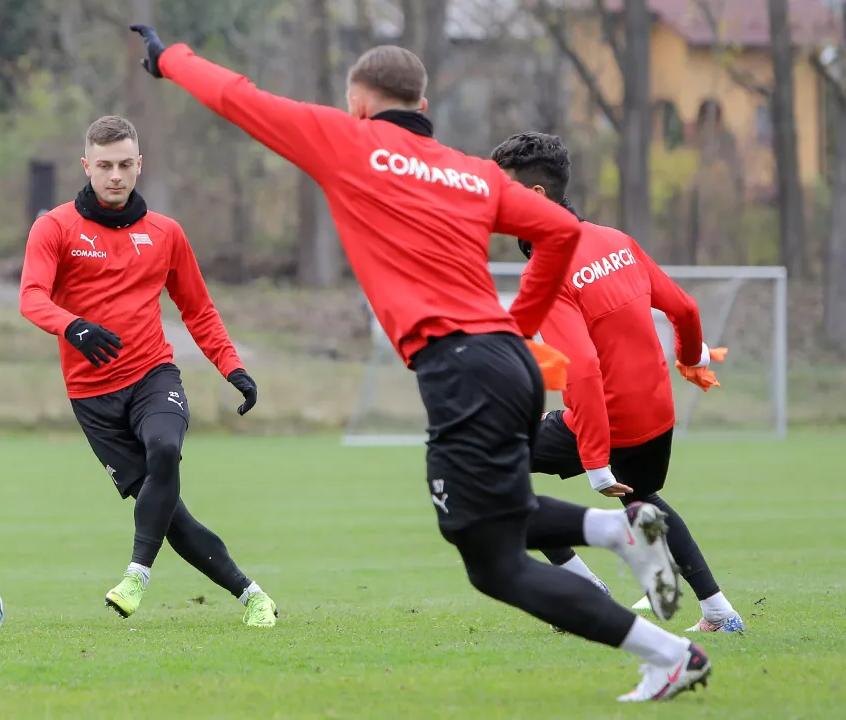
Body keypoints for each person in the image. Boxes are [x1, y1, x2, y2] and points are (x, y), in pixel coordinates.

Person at [128, 27, 710, 702]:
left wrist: (168, 59)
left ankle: (668, 652)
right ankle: (617, 529)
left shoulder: (348, 143)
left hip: (462, 369)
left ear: (359, 100)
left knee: (493, 565)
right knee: (479, 518)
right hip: (508, 367)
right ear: (424, 100)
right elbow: (561, 230)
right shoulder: (469, 170)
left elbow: (238, 97)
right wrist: (518, 326)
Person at [19, 115, 278, 627]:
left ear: (139, 165)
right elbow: (31, 297)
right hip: (92, 398)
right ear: (86, 166)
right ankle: (253, 597)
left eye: (124, 165)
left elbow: (199, 311)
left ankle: (137, 574)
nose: (115, 176)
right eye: (104, 165)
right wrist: (74, 327)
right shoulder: (56, 227)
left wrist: (234, 368)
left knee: (165, 449)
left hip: (153, 375)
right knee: (171, 515)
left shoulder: (165, 233)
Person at [490, 131, 745, 634]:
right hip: (657, 414)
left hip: (610, 421)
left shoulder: (550, 267)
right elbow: (684, 308)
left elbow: (581, 366)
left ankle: (581, 593)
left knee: (489, 462)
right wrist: (692, 356)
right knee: (644, 500)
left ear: (535, 198)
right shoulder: (616, 241)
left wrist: (595, 461)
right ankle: (719, 611)